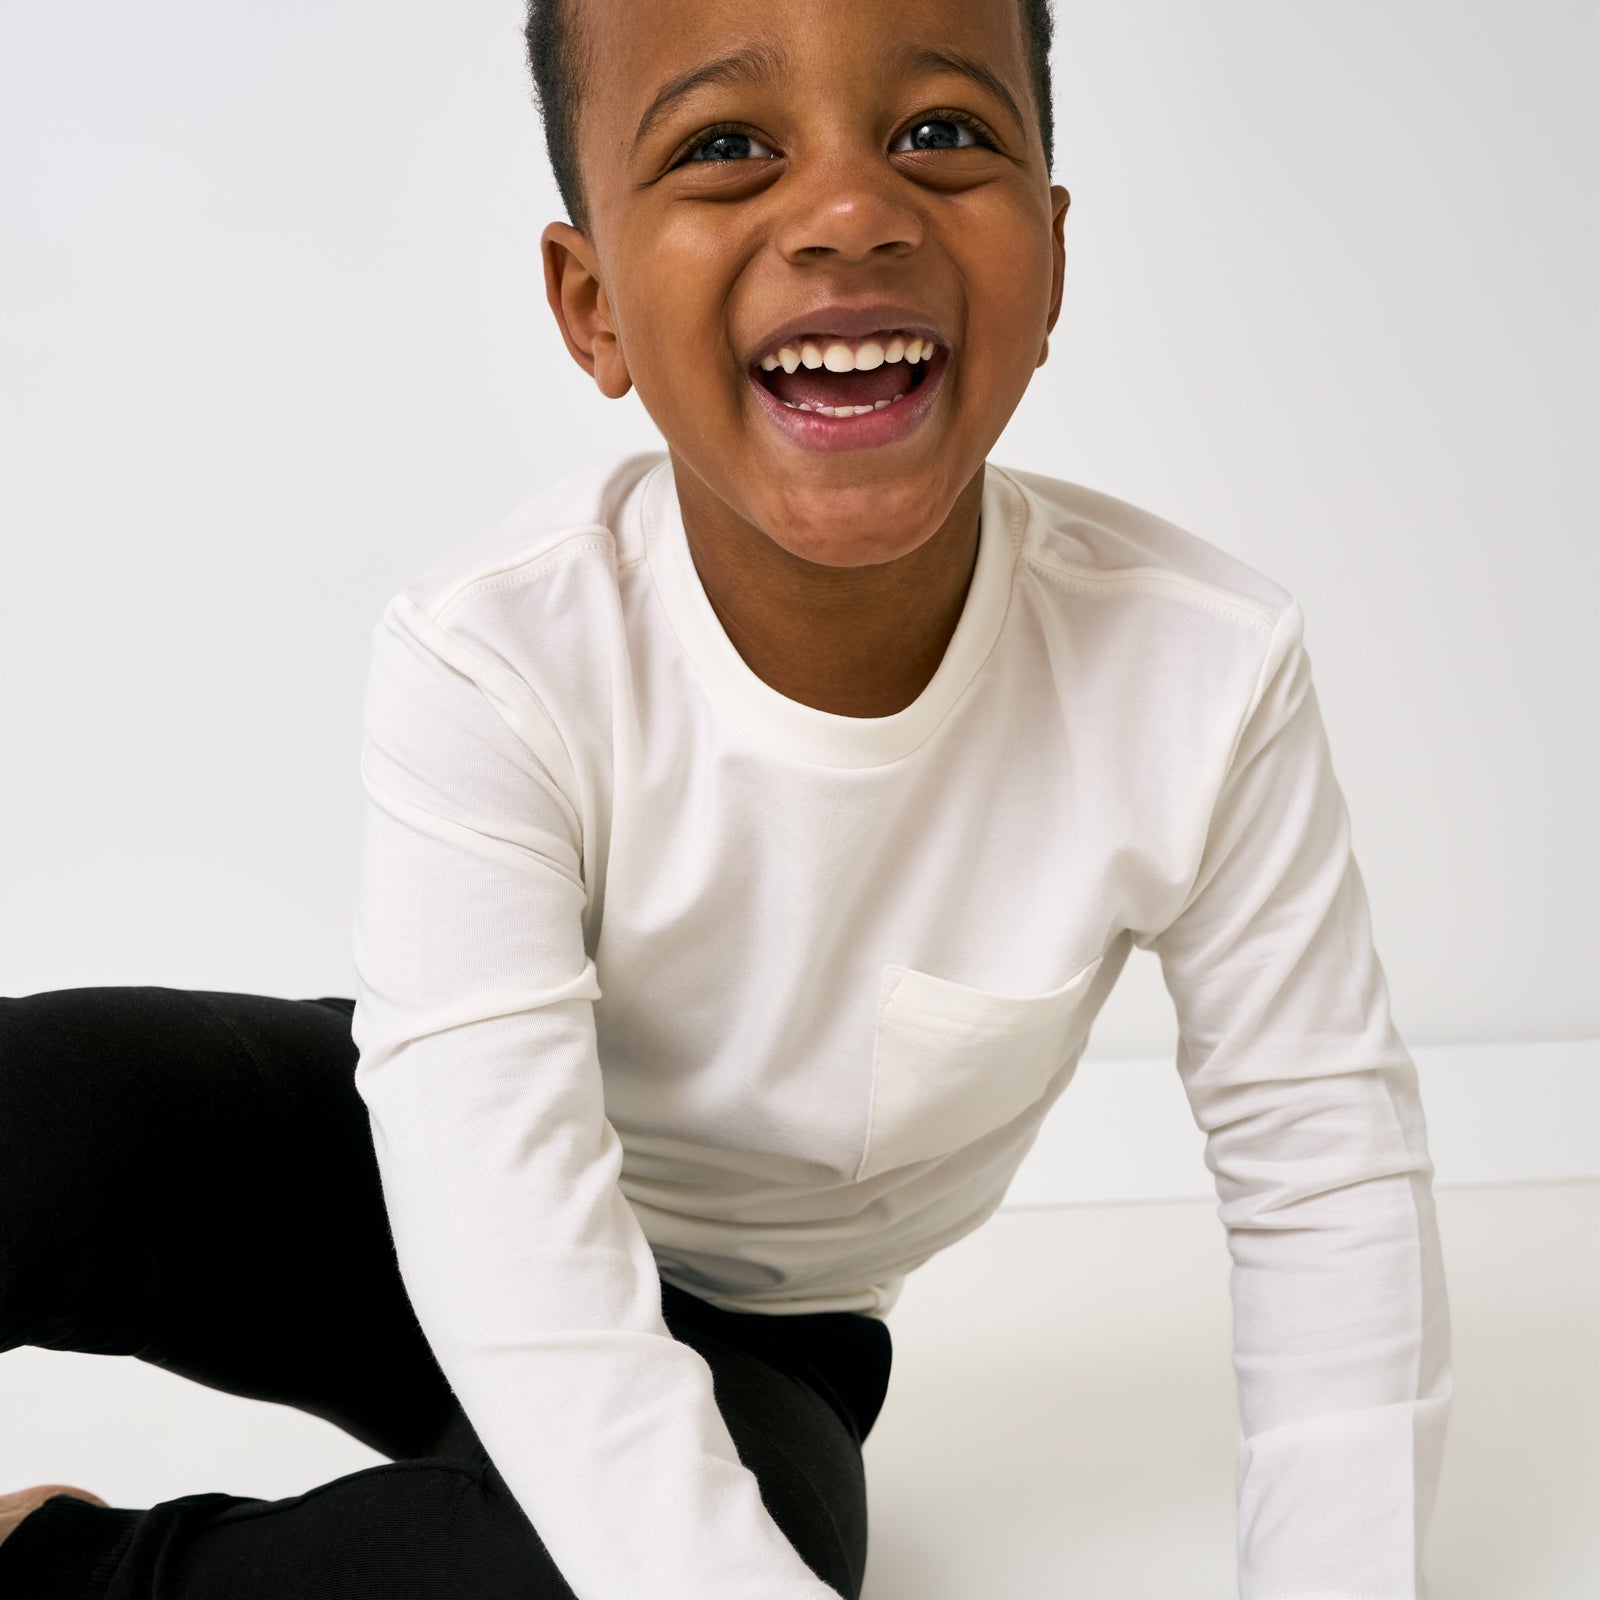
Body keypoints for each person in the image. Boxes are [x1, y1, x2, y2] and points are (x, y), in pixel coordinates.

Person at [0, 0, 1455, 1595]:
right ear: (592, 301)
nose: (850, 211)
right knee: (43, 1109)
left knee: (671, 1562)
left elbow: (1324, 1177)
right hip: (422, 1174)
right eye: (726, 148)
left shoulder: (1205, 671)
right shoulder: (494, 652)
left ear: (1050, 259)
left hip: (760, 1331)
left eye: (941, 134)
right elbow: (503, 1226)